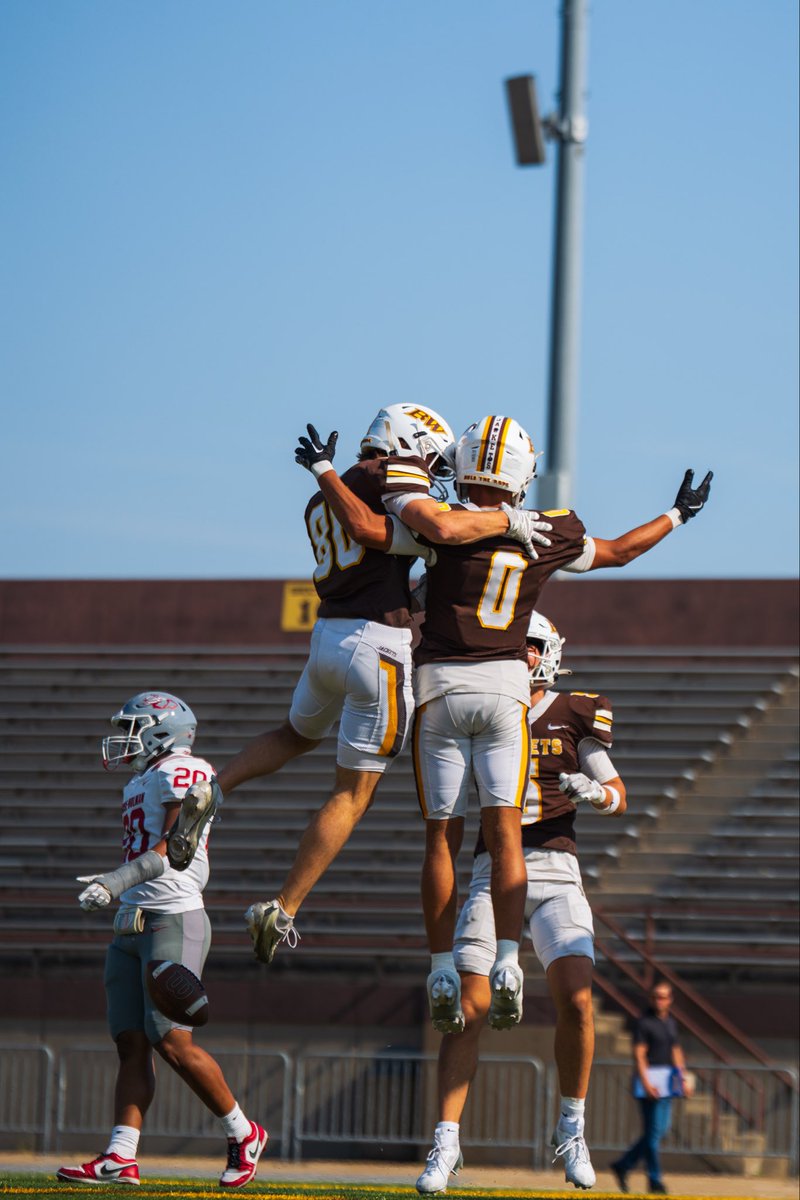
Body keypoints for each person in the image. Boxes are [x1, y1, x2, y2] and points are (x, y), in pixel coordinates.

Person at [300, 414, 712, 1037]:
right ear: (522, 474)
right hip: (504, 692)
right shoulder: (551, 528)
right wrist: (677, 515)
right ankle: (510, 960)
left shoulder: (439, 521)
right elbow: (621, 552)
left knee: (441, 839)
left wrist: (327, 473)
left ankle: (442, 968)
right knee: (506, 836)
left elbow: (369, 532)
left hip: (439, 690)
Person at [168, 405, 551, 969]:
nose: (434, 471)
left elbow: (379, 545)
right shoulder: (389, 472)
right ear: (408, 442)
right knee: (352, 793)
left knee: (295, 734)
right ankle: (283, 907)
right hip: (379, 645)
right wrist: (503, 523)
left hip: (328, 636)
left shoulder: (327, 495)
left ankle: (214, 788)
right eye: (431, 458)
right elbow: (398, 528)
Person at [416, 611, 626, 1194]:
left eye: (534, 645)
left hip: (556, 870)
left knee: (578, 1000)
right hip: (492, 872)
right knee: (469, 1006)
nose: (527, 654)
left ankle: (572, 1127)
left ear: (550, 652)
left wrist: (597, 793)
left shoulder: (574, 710)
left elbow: (619, 794)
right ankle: (446, 1141)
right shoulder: (487, 707)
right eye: (519, 644)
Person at [57, 692, 267, 1190]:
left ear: (160, 730)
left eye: (133, 729)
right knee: (130, 1042)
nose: (125, 739)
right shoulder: (142, 779)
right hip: (132, 920)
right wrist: (122, 890)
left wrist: (116, 881)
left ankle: (244, 1132)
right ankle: (120, 1156)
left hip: (173, 916)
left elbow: (174, 848)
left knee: (171, 1040)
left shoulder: (184, 769)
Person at [611, 981, 692, 1195]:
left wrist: (682, 1079)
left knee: (659, 1131)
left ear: (670, 1000)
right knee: (653, 1134)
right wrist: (646, 1083)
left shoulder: (670, 1023)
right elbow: (639, 1055)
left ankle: (624, 1164)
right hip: (650, 1081)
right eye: (655, 996)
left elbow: (676, 1052)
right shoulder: (644, 1023)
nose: (659, 1001)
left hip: (667, 1080)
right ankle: (655, 1180)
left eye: (663, 997)